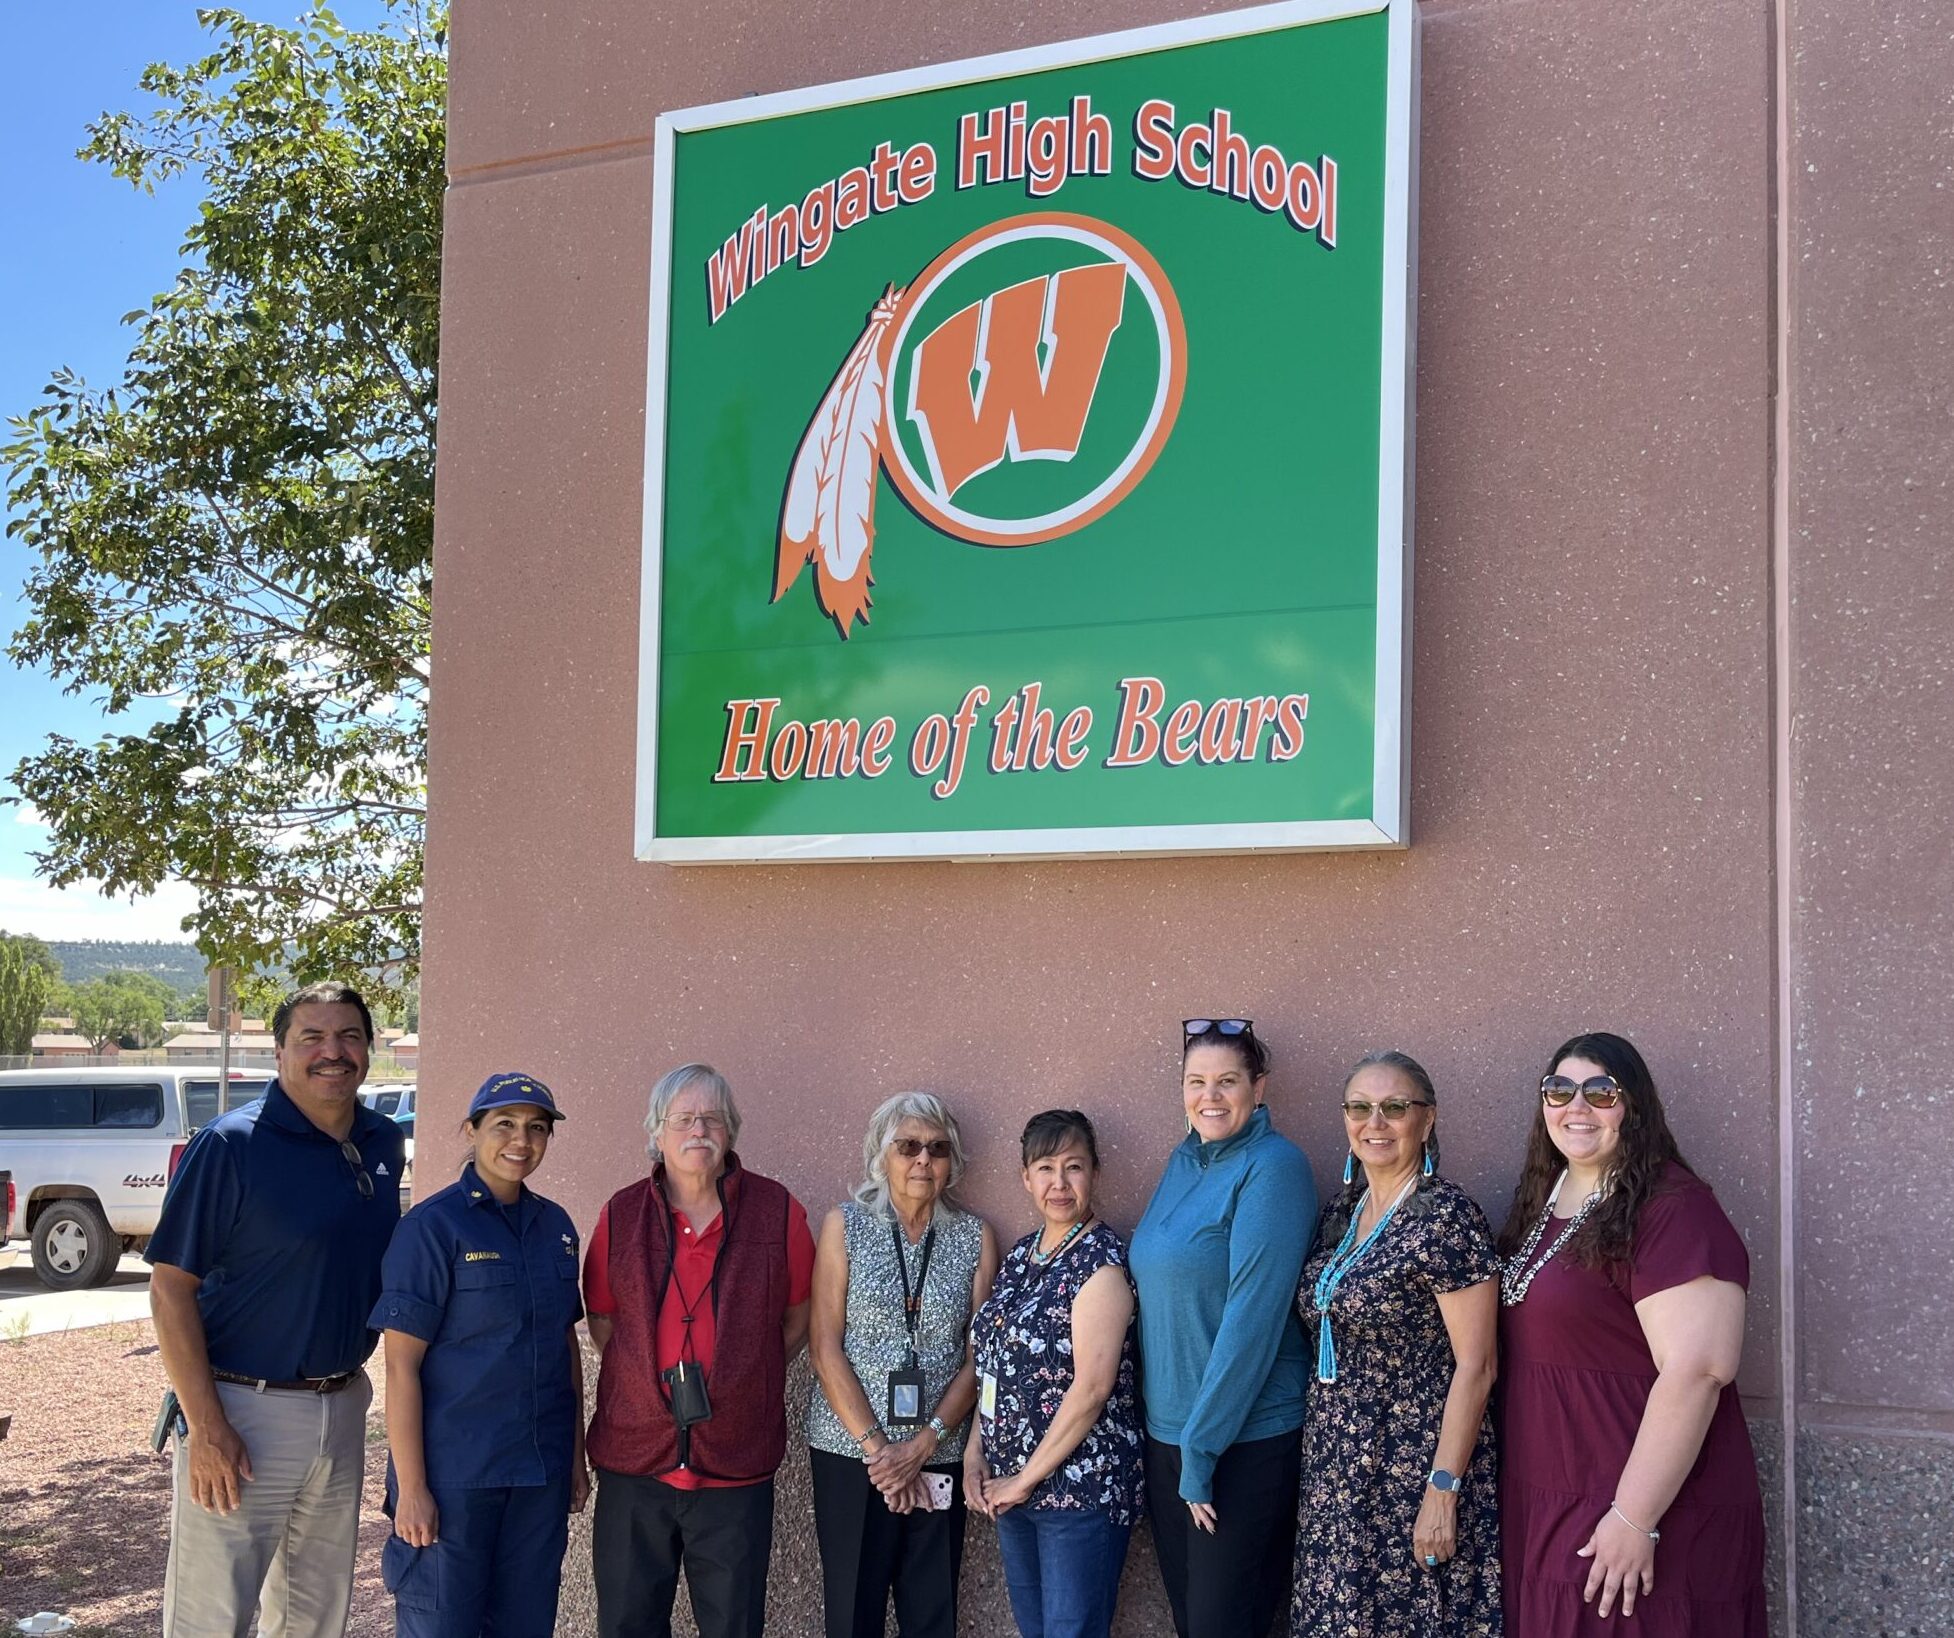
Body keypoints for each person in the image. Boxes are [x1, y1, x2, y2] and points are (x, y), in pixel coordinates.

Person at [147, 981, 404, 1638]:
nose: (332, 1052)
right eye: (311, 1037)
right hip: (241, 1413)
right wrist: (206, 1429)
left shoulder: (380, 1141)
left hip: (344, 1406)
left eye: (348, 1035)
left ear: (369, 1048)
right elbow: (170, 1288)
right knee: (212, 1617)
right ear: (281, 1052)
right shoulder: (231, 1145)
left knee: (314, 1616)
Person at [1496, 1031, 1766, 1636]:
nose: (1577, 1107)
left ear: (1635, 1107)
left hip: (1636, 1502)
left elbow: (1699, 1371)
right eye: (1560, 1090)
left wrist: (1635, 1518)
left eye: (1601, 1092)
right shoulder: (1549, 1196)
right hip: (1550, 1491)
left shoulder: (1674, 1207)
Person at [581, 1062, 816, 1638]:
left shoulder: (778, 1211)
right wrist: (645, 1382)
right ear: (656, 1133)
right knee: (627, 1624)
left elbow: (797, 1319)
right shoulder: (621, 1213)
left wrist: (743, 1377)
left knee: (734, 1626)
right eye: (683, 1118)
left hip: (735, 1463)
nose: (698, 1130)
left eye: (712, 1118)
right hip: (636, 1461)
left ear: (731, 1130)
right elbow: (605, 1322)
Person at [1291, 1051, 1501, 1637]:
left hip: (1413, 1465)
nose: (1374, 1122)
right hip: (1337, 1468)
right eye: (1360, 1108)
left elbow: (1478, 1366)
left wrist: (1442, 1491)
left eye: (1394, 1108)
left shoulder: (1447, 1218)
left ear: (1427, 1120)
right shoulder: (1340, 1215)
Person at [372, 1072, 588, 1636]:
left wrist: (575, 1458)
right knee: (443, 1624)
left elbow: (565, 1345)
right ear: (472, 1130)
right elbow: (401, 1366)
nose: (522, 1140)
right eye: (505, 1125)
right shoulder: (432, 1227)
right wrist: (412, 1489)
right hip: (454, 1477)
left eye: (537, 1128)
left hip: (537, 1476)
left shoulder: (557, 1227)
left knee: (526, 1624)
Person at [1128, 1018, 1316, 1638]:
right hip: (1169, 1437)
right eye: (1196, 1081)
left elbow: (1252, 1321)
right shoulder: (1182, 1163)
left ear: (1258, 1088)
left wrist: (1201, 1452)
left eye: (1227, 1081)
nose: (1210, 1096)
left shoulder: (1274, 1166)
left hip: (1240, 1444)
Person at [808, 1092, 999, 1638]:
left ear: (952, 1162)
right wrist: (882, 1454)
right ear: (880, 1155)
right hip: (851, 1453)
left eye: (937, 1149)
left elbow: (978, 1354)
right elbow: (824, 1348)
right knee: (852, 1612)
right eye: (908, 1146)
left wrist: (921, 1447)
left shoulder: (975, 1237)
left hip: (936, 1452)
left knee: (931, 1608)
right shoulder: (843, 1226)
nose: (923, 1160)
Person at [966, 1110, 1143, 1638]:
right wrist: (977, 1450)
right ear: (1025, 1177)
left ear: (1094, 1173)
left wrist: (1025, 1478)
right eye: (1045, 1168)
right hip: (1012, 1491)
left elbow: (1092, 1388)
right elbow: (993, 1365)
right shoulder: (1021, 1254)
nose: (1059, 1183)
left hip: (1078, 1494)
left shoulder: (1103, 1263)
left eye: (1074, 1167)